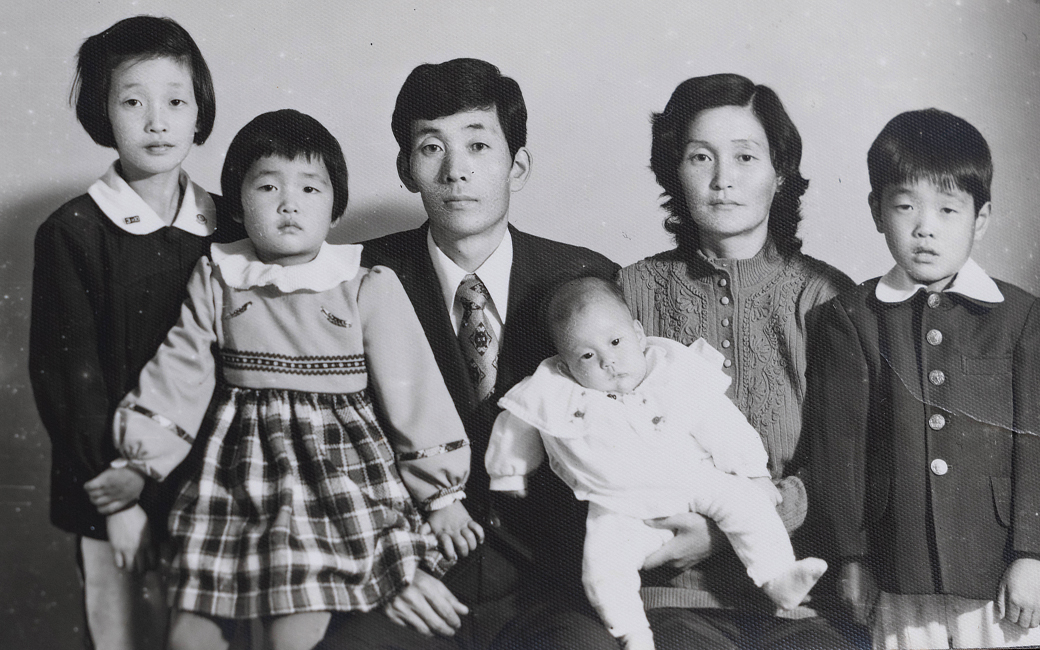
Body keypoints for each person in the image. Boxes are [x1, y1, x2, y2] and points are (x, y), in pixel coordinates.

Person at [105, 109, 481, 650]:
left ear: (333, 206)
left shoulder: (363, 283)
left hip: (335, 476)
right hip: (235, 476)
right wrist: (139, 460)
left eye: (310, 187)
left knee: (295, 628)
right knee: (191, 625)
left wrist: (442, 494)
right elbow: (180, 369)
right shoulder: (218, 275)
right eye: (267, 186)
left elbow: (413, 390)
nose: (289, 203)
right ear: (236, 201)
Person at [318, 59, 619, 650]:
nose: (456, 171)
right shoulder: (353, 279)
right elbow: (319, 444)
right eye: (431, 148)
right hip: (408, 580)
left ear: (519, 165)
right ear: (407, 169)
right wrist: (382, 566)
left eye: (478, 145)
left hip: (550, 588)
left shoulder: (584, 280)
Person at [616, 73, 857, 649]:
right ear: (674, 171)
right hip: (669, 593)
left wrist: (728, 530)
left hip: (804, 598)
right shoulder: (630, 293)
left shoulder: (826, 298)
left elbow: (848, 459)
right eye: (701, 157)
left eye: (745, 157)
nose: (723, 181)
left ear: (781, 173)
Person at [27, 16, 233, 650]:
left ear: (200, 112)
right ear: (102, 114)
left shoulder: (227, 226)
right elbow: (68, 379)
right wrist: (115, 502)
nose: (156, 122)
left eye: (175, 102)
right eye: (132, 102)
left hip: (215, 486)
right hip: (112, 487)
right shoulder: (73, 232)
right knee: (122, 636)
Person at [485, 276, 828, 650]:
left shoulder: (670, 371)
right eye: (587, 356)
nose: (608, 361)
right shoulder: (555, 389)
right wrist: (508, 473)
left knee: (750, 505)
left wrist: (753, 472)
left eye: (615, 343)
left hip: (694, 480)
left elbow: (721, 422)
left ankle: (778, 578)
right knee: (602, 569)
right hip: (618, 507)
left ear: (637, 332)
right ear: (565, 364)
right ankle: (634, 635)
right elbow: (517, 424)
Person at [808, 108, 1040, 649]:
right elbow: (840, 453)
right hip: (897, 565)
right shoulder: (850, 318)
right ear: (876, 210)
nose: (925, 227)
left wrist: (1032, 553)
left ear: (980, 219)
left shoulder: (1023, 318)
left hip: (1000, 569)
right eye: (905, 206)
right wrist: (852, 557)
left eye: (948, 209)